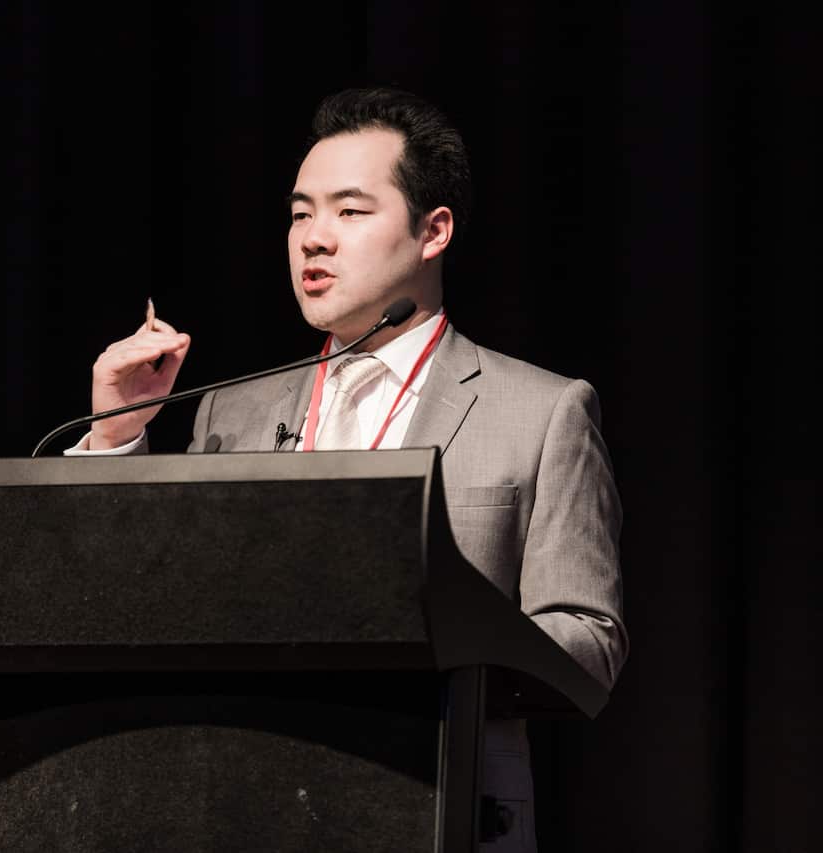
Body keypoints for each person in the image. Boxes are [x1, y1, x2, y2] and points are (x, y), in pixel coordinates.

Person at [67, 85, 627, 851]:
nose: (314, 239)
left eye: (350, 211)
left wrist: (440, 632)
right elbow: (133, 611)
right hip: (250, 813)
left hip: (443, 810)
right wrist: (116, 435)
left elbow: (591, 645)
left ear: (434, 231)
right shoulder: (231, 411)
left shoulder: (542, 411)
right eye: (301, 214)